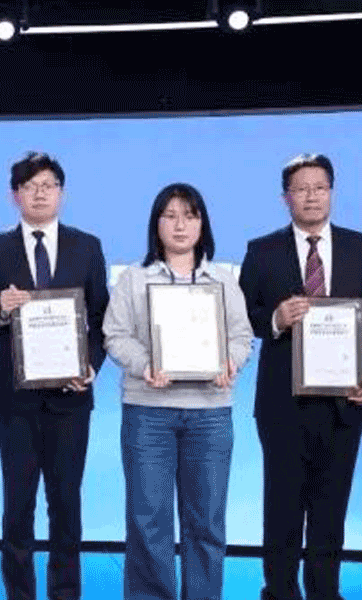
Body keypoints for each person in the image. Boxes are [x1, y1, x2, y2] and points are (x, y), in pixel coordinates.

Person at [238, 154, 362, 600]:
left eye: (320, 187)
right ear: (285, 197)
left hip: (344, 402)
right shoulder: (262, 250)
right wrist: (275, 319)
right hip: (282, 405)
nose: (311, 196)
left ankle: (325, 591)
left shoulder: (361, 248)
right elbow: (240, 317)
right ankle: (280, 591)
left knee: (330, 509)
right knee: (282, 508)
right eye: (301, 189)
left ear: (331, 192)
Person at [101, 183, 253, 600]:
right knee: (148, 521)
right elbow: (115, 335)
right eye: (169, 216)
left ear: (203, 224)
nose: (180, 225)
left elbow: (242, 336)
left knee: (207, 522)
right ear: (156, 224)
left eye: (189, 215)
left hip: (210, 414)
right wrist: (145, 365)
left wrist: (230, 362)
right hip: (148, 412)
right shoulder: (134, 279)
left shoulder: (223, 280)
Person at [0, 152, 109, 600]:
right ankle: (20, 593)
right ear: (16, 196)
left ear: (61, 193)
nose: (40, 193)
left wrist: (90, 366)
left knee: (66, 504)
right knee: (18, 505)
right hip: (15, 400)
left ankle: (65, 593)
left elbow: (102, 319)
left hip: (71, 397)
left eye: (49, 185)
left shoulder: (87, 247)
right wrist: (0, 309)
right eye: (30, 186)